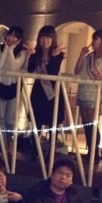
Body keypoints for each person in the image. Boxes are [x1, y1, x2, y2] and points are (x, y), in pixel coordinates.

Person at [73, 29, 102, 164]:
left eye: (96, 39)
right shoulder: (89, 56)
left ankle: (94, 154)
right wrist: (81, 55)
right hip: (83, 92)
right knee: (86, 125)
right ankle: (91, 152)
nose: (93, 42)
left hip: (95, 95)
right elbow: (76, 71)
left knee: (92, 125)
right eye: (93, 39)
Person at [27, 25, 66, 156]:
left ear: (53, 39)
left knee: (52, 123)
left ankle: (51, 152)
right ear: (39, 39)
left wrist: (54, 57)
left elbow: (53, 72)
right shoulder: (36, 54)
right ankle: (34, 150)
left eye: (48, 37)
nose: (45, 40)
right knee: (36, 122)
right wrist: (32, 56)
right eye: (43, 37)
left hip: (53, 92)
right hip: (39, 92)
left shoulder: (58, 54)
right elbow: (30, 70)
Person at [0, 26, 28, 147]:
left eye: (15, 36)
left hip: (14, 88)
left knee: (10, 119)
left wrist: (11, 50)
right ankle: (3, 144)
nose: (11, 38)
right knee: (1, 118)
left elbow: (13, 66)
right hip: (0, 87)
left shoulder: (22, 52)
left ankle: (9, 138)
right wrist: (6, 49)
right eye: (10, 35)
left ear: (19, 39)